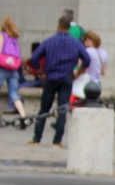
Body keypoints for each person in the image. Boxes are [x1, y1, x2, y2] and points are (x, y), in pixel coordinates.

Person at [27, 14, 90, 148]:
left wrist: (40, 71)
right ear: (68, 28)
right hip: (67, 77)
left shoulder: (50, 41)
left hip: (51, 77)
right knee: (63, 109)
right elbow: (87, 59)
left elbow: (35, 57)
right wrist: (78, 72)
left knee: (44, 108)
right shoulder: (76, 43)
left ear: (58, 26)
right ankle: (57, 140)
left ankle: (37, 138)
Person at [70, 30, 107, 106]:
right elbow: (103, 72)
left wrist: (76, 74)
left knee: (80, 105)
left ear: (88, 40)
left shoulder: (87, 52)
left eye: (84, 40)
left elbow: (82, 67)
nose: (83, 43)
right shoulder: (102, 53)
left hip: (86, 84)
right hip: (97, 84)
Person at [0, 17, 24, 117]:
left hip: (2, 68)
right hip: (14, 69)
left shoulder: (2, 36)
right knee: (14, 93)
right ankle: (23, 116)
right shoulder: (14, 38)